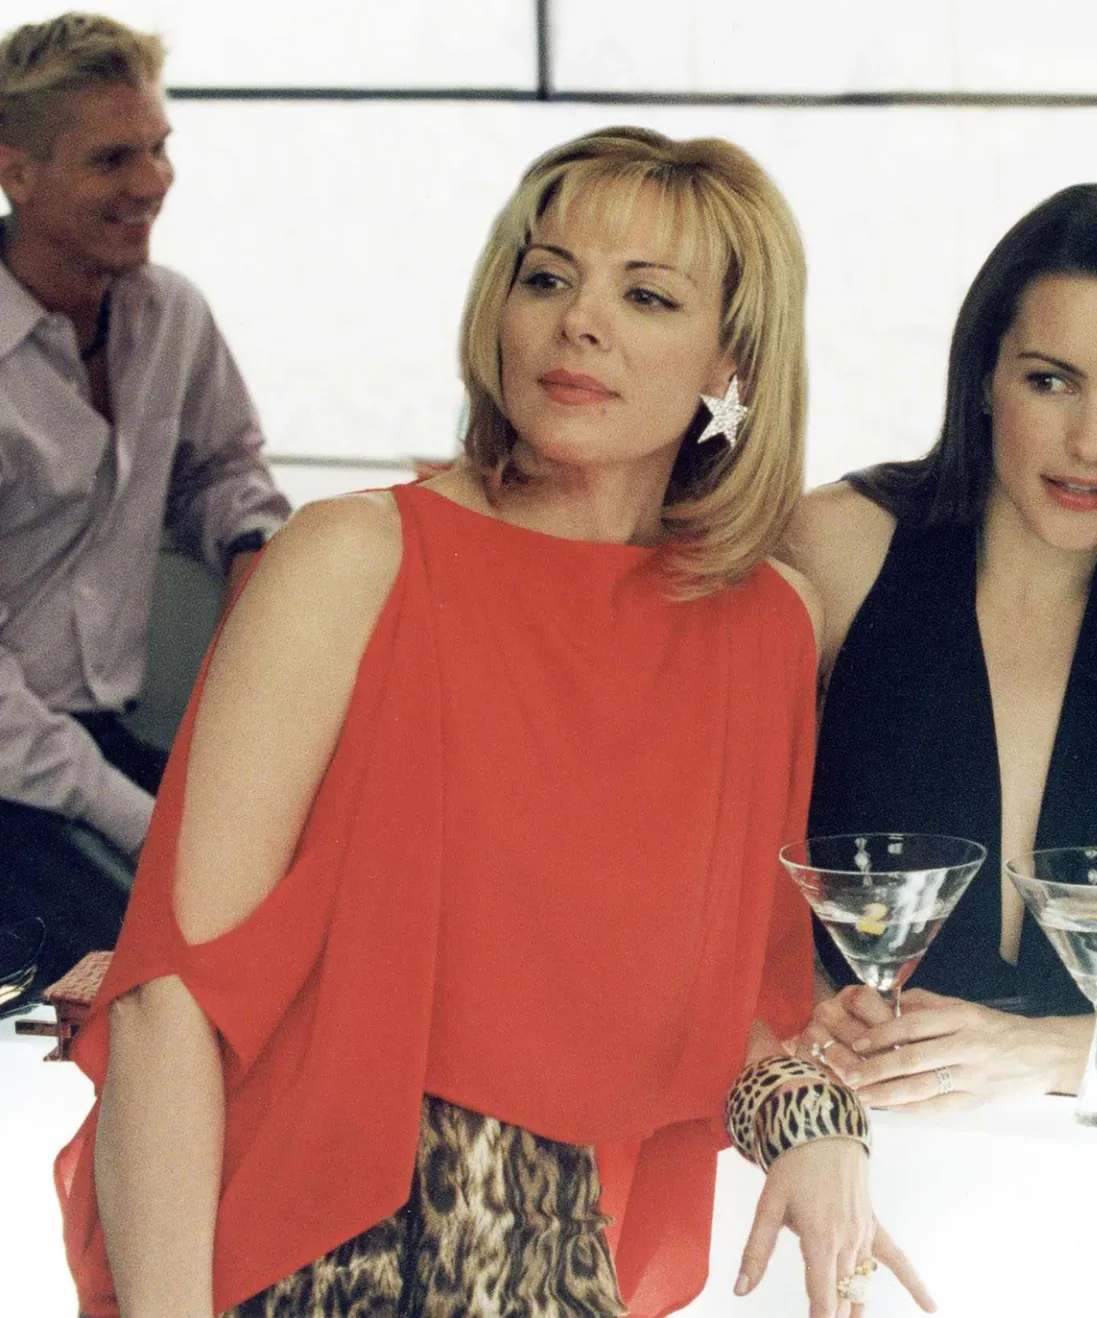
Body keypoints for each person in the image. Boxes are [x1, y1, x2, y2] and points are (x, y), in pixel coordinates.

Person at [53, 127, 928, 1318]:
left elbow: (733, 1011)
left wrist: (818, 1126)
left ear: (732, 357)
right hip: (293, 1260)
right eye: (548, 276)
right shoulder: (352, 560)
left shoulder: (766, 625)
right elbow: (171, 998)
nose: (580, 322)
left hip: (542, 1271)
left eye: (647, 295)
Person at [782, 184, 1097, 1112]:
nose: (1090, 443)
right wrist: (810, 1023)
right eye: (1050, 381)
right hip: (836, 1121)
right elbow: (720, 889)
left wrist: (1043, 1054)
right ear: (983, 375)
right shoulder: (835, 553)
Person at [0, 12, 288, 985]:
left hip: (99, 741)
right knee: (168, 973)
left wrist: (256, 556)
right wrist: (141, 819)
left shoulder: (173, 316)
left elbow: (224, 471)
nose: (152, 182)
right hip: (18, 767)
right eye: (112, 159)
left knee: (304, 902)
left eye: (158, 148)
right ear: (16, 172)